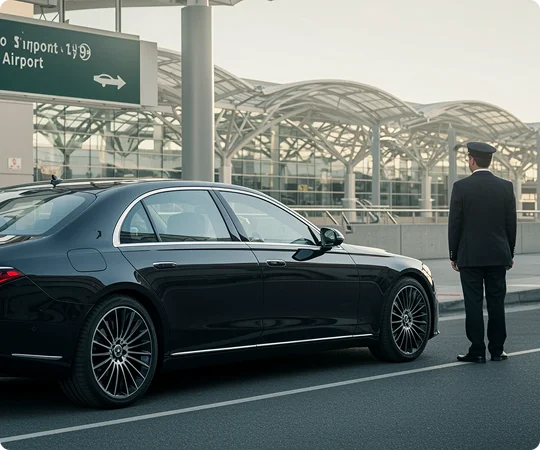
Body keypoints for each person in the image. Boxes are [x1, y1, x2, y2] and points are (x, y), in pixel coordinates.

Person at [448, 141, 517, 363]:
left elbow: (455, 224)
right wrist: (510, 253)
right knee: (497, 303)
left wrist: (453, 254)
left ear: (472, 160)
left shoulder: (461, 187)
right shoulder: (505, 187)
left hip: (470, 256)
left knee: (473, 303)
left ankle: (477, 351)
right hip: (498, 255)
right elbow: (511, 225)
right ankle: (497, 350)